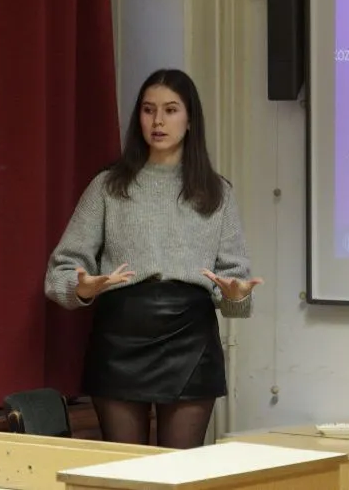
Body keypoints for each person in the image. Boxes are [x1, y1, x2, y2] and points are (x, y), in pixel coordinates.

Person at [44, 68, 262, 448]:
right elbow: (59, 273)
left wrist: (236, 294)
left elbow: (236, 290)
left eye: (170, 110)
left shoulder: (216, 192)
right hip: (120, 336)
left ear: (190, 120)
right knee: (125, 471)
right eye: (148, 110)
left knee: (180, 471)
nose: (158, 121)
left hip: (190, 339)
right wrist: (82, 288)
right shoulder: (108, 186)